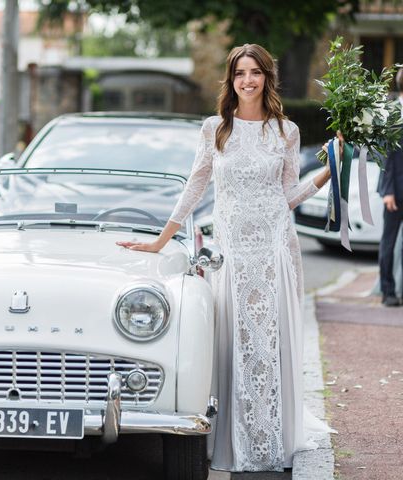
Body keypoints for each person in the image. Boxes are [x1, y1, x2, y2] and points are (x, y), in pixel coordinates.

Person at [117, 44, 332, 472]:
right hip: (232, 250)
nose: (247, 80)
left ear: (267, 78)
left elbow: (289, 195)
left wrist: (327, 172)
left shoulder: (286, 131)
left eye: (255, 72)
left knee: (266, 344)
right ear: (231, 80)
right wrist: (161, 241)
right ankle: (232, 435)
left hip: (273, 248)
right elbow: (195, 187)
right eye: (239, 73)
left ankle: (269, 435)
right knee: (232, 341)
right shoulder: (216, 128)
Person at [377, 68, 403, 307]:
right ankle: (388, 291)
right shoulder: (392, 113)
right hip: (396, 191)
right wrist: (388, 191)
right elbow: (386, 154)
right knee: (389, 242)